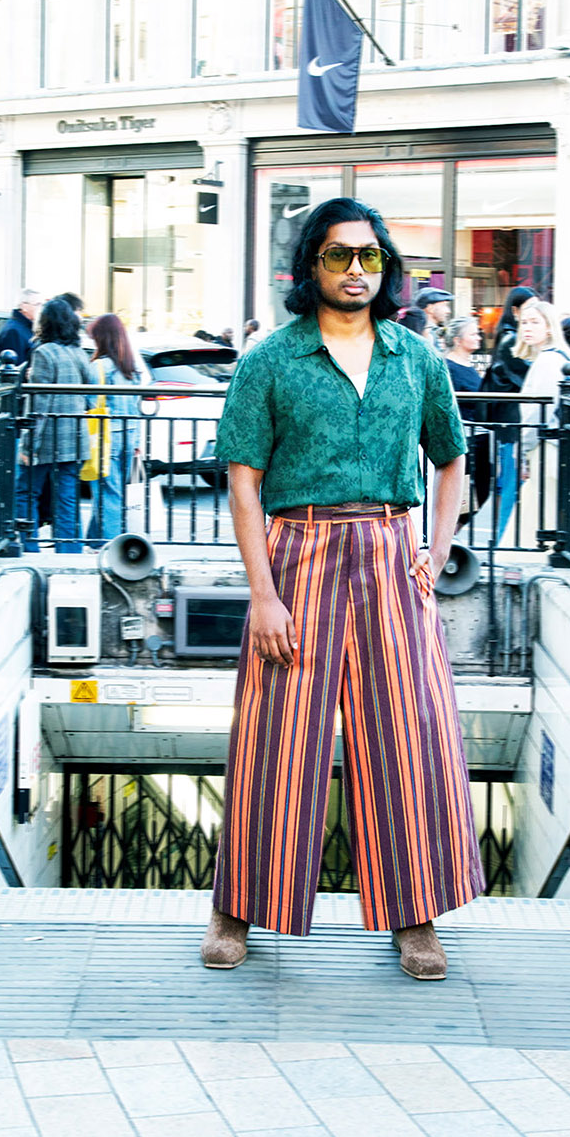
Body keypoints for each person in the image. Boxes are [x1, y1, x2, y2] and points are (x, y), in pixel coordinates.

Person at [202, 197, 483, 981]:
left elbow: (451, 456)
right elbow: (244, 483)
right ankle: (235, 907)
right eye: (339, 255)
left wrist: (437, 548)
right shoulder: (269, 360)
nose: (357, 269)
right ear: (311, 265)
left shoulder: (414, 356)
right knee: (276, 736)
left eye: (370, 255)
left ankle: (415, 915)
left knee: (408, 734)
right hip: (298, 551)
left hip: (391, 553)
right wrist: (263, 594)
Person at [19, 296, 95, 553]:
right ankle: (69, 551)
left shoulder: (43, 352)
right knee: (67, 498)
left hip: (47, 438)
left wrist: (28, 445)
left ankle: (28, 546)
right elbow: (92, 396)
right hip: (75, 436)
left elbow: (39, 404)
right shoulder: (79, 353)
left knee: (27, 491)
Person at [510, 299, 570, 548]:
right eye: (524, 322)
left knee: (539, 510)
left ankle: (532, 555)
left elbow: (537, 413)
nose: (527, 328)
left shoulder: (548, 361)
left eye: (535, 322)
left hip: (545, 447)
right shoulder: (555, 358)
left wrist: (523, 450)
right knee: (540, 508)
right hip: (547, 445)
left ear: (549, 327)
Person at [479, 285, 536, 542]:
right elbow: (527, 378)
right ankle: (504, 543)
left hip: (513, 426)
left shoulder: (512, 339)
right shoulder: (511, 341)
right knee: (512, 488)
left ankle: (505, 541)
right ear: (516, 311)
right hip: (513, 426)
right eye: (530, 311)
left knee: (513, 487)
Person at [84, 313, 144, 545]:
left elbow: (90, 403)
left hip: (104, 437)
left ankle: (111, 546)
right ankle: (94, 541)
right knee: (112, 491)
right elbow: (137, 407)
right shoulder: (130, 368)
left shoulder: (99, 367)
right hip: (128, 435)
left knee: (108, 493)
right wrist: (137, 440)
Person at [444, 316, 490, 515]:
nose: (479, 337)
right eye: (473, 334)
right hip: (466, 438)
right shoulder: (449, 367)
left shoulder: (468, 366)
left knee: (478, 494)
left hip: (479, 437)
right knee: (464, 499)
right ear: (458, 340)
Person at [0, 289, 41, 370]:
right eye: (37, 304)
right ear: (24, 306)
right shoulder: (13, 331)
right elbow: (16, 367)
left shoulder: (27, 327)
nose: (40, 309)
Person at [414, 286, 454, 353]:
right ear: (430, 308)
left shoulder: (436, 331)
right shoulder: (425, 333)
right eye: (444, 305)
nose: (448, 311)